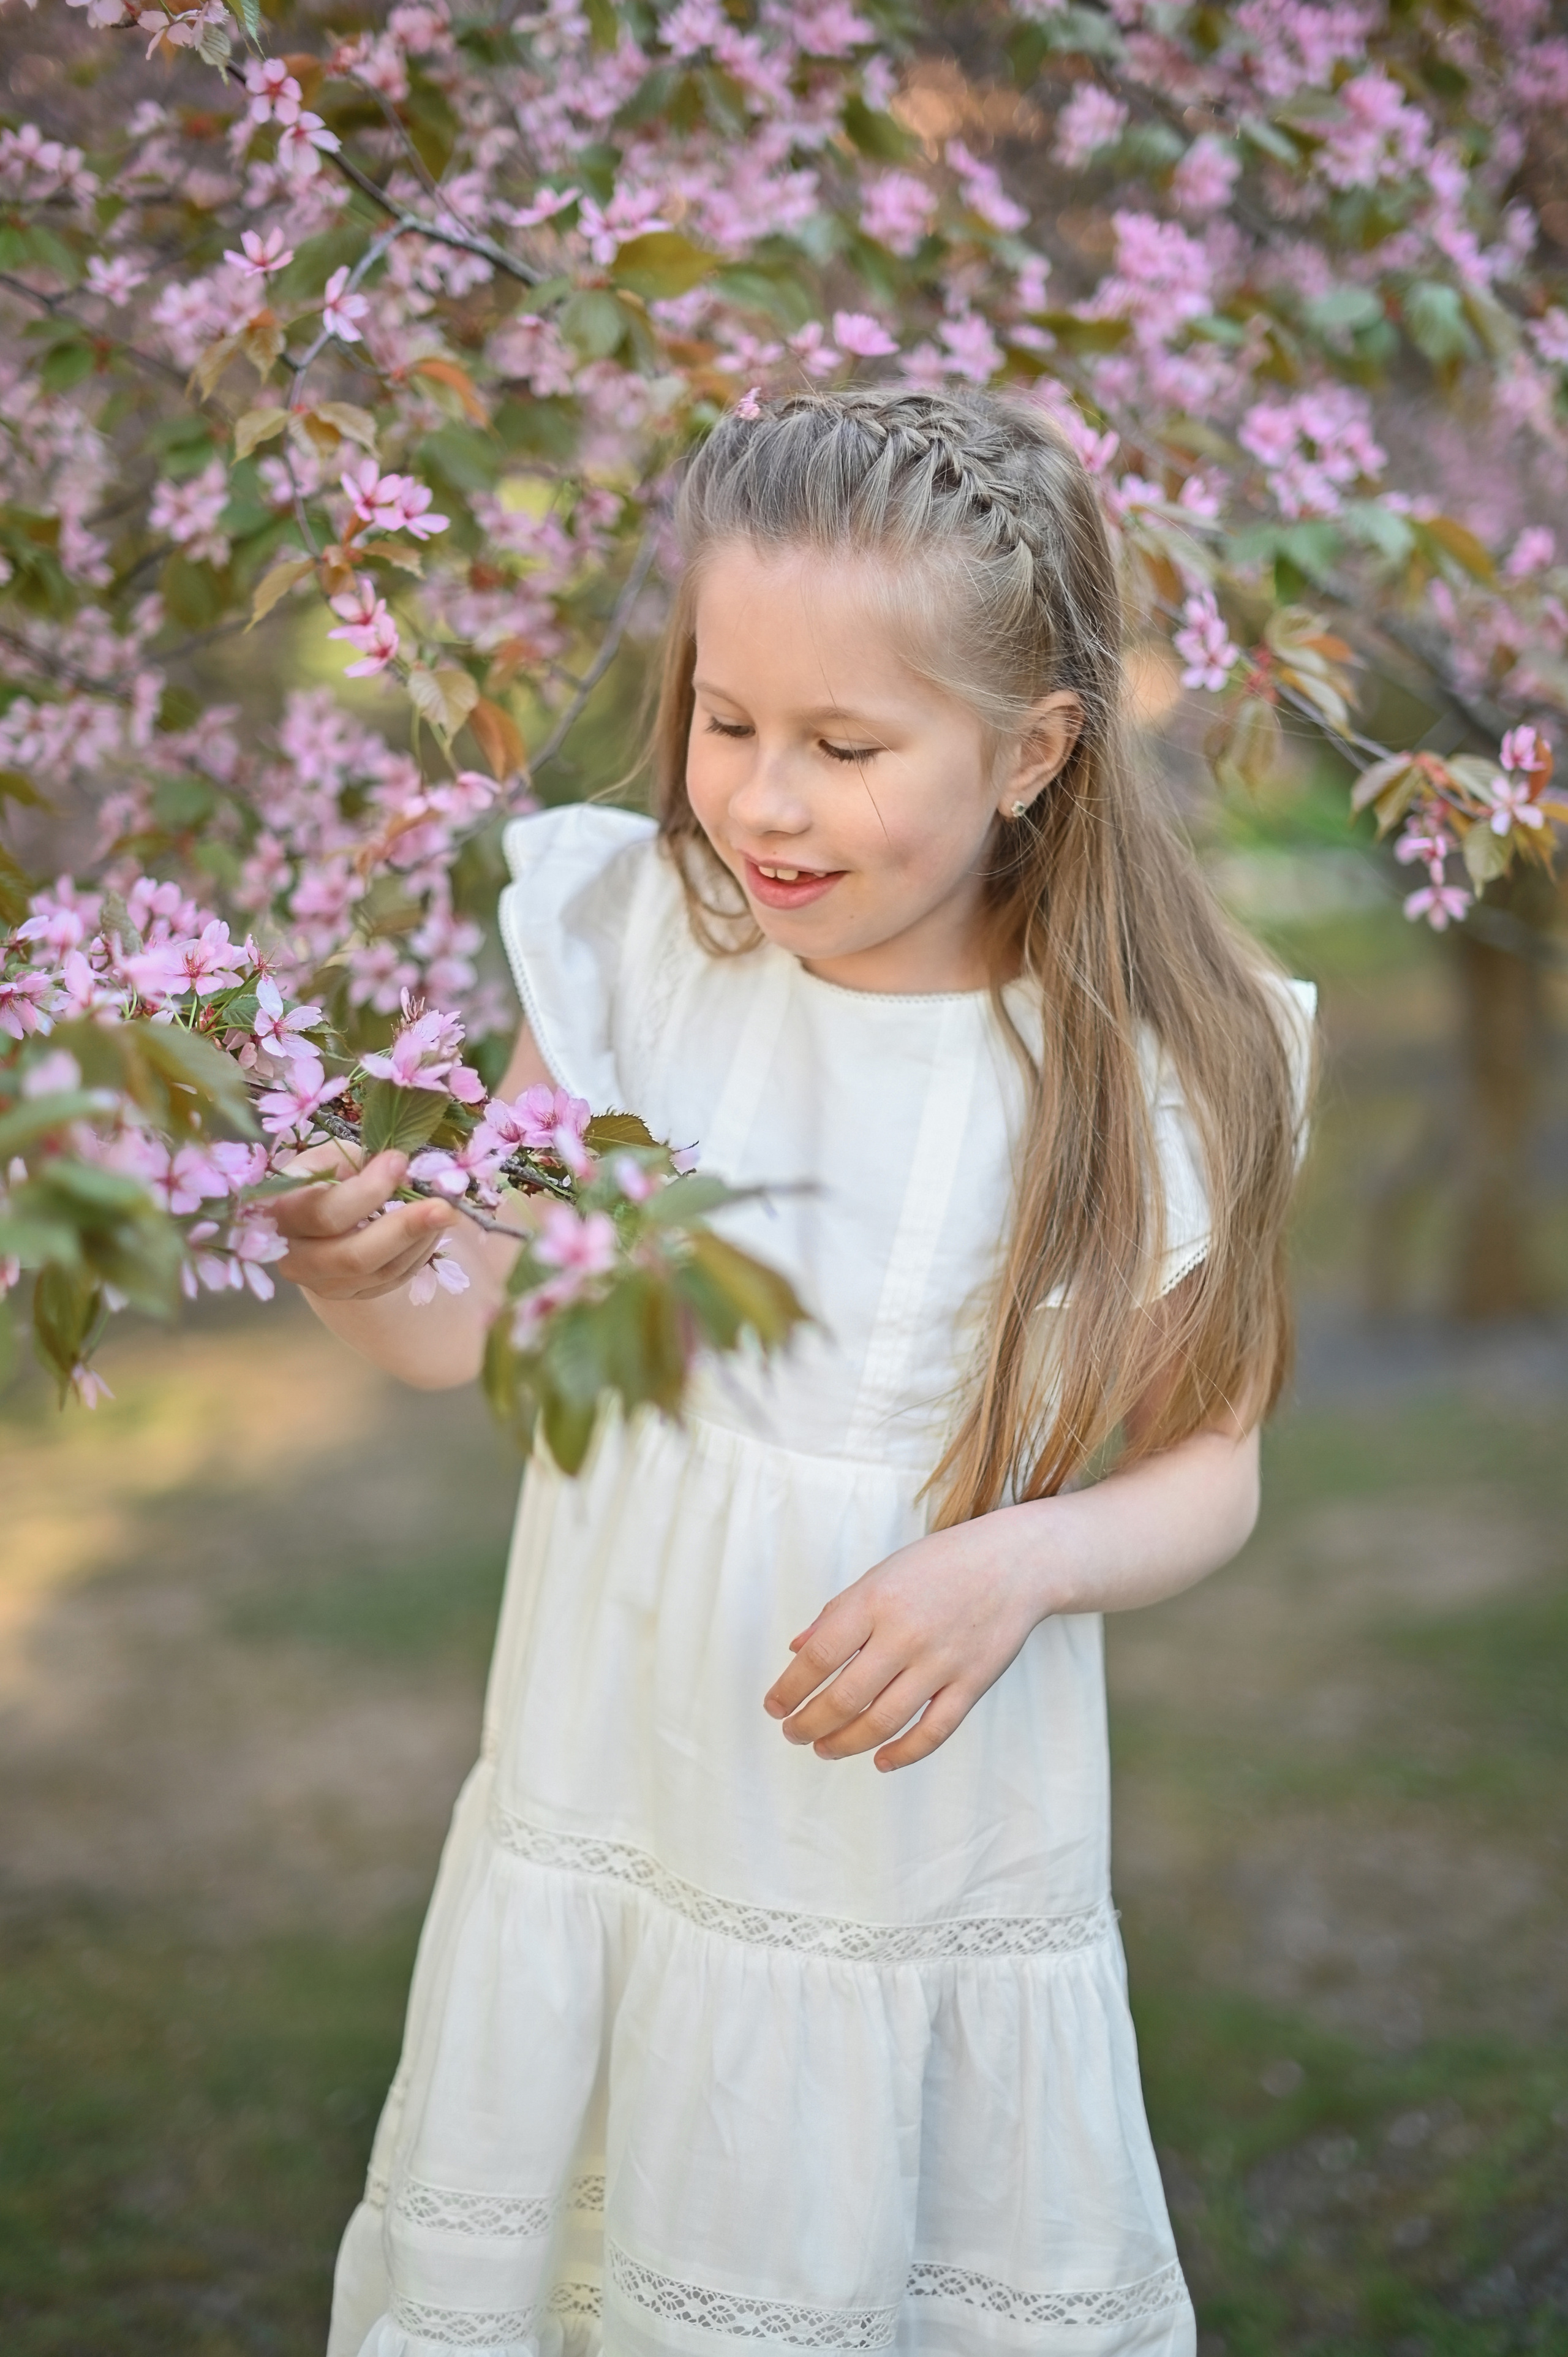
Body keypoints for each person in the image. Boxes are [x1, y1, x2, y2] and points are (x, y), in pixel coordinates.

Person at [276, 386, 1314, 2357]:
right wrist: (357, 1272)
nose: (760, 799)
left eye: (845, 746)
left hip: (906, 1842)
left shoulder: (1160, 1063)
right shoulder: (640, 942)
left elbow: (1213, 1465)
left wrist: (1017, 1561)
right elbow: (473, 1319)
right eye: (726, 717)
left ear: (1032, 751)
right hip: (614, 1766)